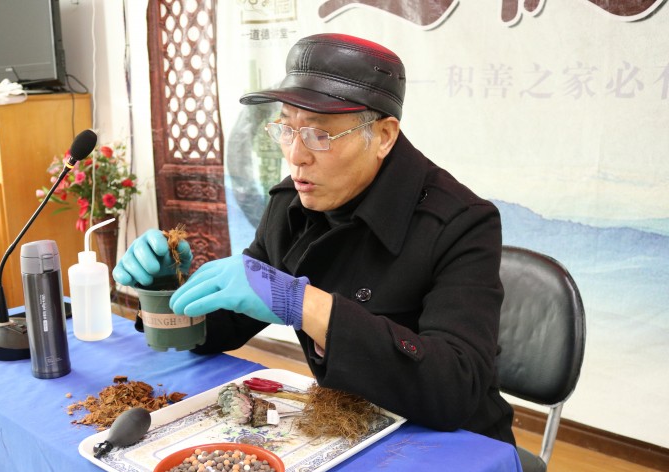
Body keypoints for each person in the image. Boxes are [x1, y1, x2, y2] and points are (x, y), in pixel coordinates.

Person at [114, 33, 515, 445]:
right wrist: (171, 289)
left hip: (455, 443)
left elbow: (455, 389)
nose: (296, 156)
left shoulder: (462, 222)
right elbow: (226, 326)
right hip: (345, 427)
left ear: (383, 136)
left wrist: (302, 303)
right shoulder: (291, 204)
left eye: (319, 136)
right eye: (287, 129)